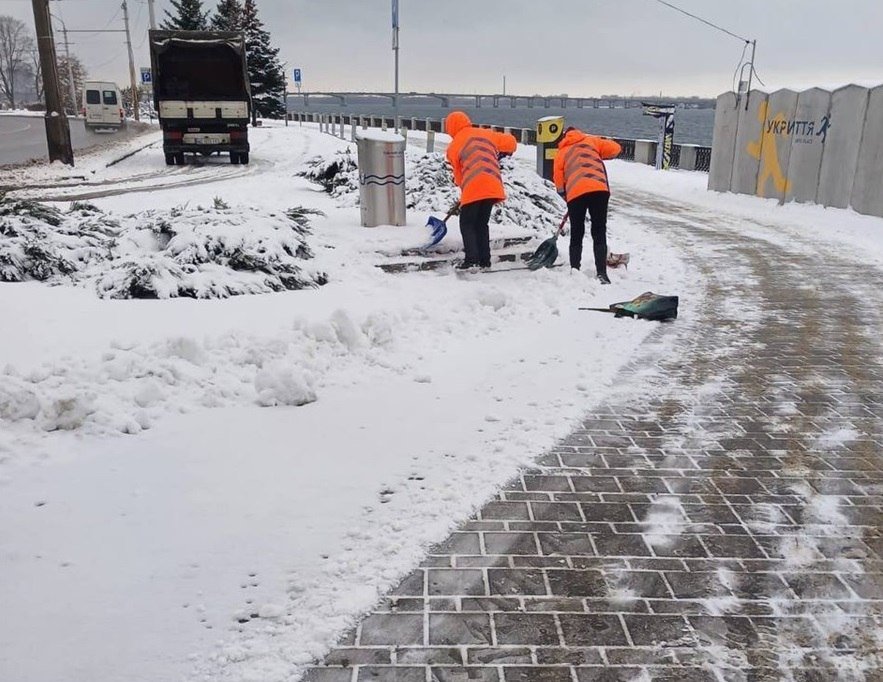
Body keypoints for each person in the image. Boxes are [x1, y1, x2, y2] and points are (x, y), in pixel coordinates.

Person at [444, 111, 517, 269]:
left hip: (474, 187)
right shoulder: (485, 133)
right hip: (493, 185)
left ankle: (471, 261)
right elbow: (511, 142)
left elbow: (458, 176)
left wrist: (464, 191)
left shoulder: (454, 146)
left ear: (450, 128)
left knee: (467, 224)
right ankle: (485, 261)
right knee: (481, 224)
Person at [553, 126, 622, 284]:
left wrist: (565, 195)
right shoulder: (591, 141)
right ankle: (602, 273)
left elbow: (558, 180)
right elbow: (615, 149)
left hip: (576, 193)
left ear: (564, 137)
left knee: (577, 232)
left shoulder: (562, 152)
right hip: (600, 189)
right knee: (599, 231)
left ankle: (575, 269)